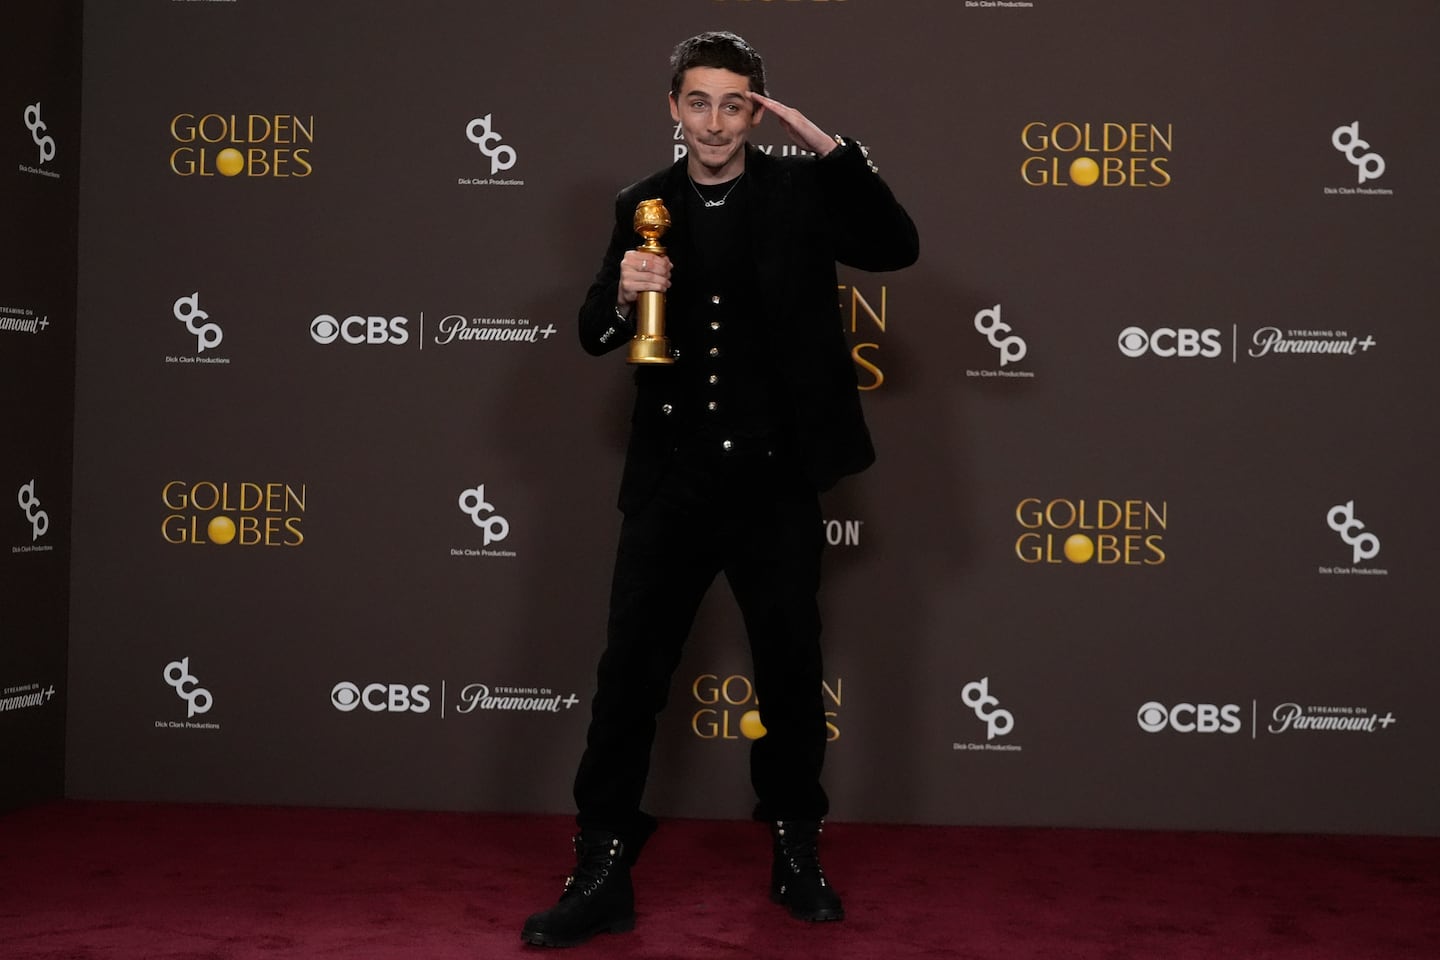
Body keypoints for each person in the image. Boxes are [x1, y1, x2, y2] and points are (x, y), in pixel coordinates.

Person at [521, 30, 919, 948]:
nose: (713, 121)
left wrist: (830, 146)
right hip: (671, 481)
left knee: (789, 672)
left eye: (733, 104)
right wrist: (621, 295)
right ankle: (601, 867)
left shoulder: (800, 190)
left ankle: (795, 851)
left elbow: (896, 246)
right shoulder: (641, 205)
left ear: (755, 111)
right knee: (629, 679)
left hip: (775, 480)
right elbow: (591, 331)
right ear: (673, 107)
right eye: (697, 101)